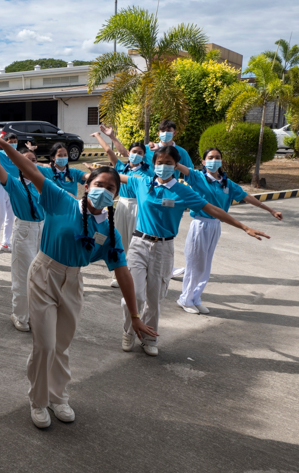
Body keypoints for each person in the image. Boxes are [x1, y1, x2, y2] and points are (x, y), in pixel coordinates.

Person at [0, 121, 156, 429]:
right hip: (44, 274)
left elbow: (123, 273)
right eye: (99, 185)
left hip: (73, 282)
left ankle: (58, 396)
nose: (103, 191)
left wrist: (135, 316)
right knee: (45, 345)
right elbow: (32, 172)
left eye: (110, 188)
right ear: (87, 185)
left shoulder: (109, 233)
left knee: (61, 346)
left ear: (116, 196)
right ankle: (37, 401)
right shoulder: (61, 201)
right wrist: (4, 145)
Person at [120, 145, 270, 357]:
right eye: (160, 163)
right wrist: (84, 176)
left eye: (169, 163)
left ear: (176, 166)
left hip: (163, 248)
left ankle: (149, 338)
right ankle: (128, 331)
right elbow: (113, 177)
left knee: (154, 298)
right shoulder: (142, 182)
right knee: (133, 295)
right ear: (153, 165)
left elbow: (213, 209)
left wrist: (244, 227)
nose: (163, 167)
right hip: (139, 244)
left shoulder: (183, 191)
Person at [173, 148, 282, 314]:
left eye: (217, 157)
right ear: (203, 162)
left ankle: (196, 298)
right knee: (195, 264)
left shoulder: (226, 183)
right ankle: (185, 299)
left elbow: (247, 197)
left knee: (205, 266)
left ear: (221, 161)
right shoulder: (197, 177)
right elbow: (178, 166)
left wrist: (270, 210)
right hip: (200, 225)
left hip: (216, 225)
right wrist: (164, 150)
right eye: (210, 157)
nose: (214, 160)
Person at [0, 128, 45, 332]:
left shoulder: (44, 184)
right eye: (26, 159)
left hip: (44, 230)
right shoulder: (14, 184)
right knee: (23, 275)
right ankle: (20, 316)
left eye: (34, 160)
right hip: (25, 231)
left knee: (42, 277)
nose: (31, 163)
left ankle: (37, 315)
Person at [90, 128, 154, 288]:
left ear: (144, 155)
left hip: (138, 207)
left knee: (136, 242)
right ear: (129, 153)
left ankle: (136, 275)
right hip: (122, 205)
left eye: (140, 152)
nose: (136, 154)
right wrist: (99, 136)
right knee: (118, 239)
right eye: (134, 151)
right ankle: (118, 274)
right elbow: (108, 150)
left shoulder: (148, 172)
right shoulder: (120, 167)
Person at [145, 119, 193, 280]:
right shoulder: (148, 149)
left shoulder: (181, 152)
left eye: (169, 130)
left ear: (174, 133)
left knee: (167, 233)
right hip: (150, 195)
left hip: (171, 197)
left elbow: (190, 173)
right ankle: (145, 264)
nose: (165, 133)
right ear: (158, 133)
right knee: (146, 231)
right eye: (163, 130)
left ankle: (167, 267)